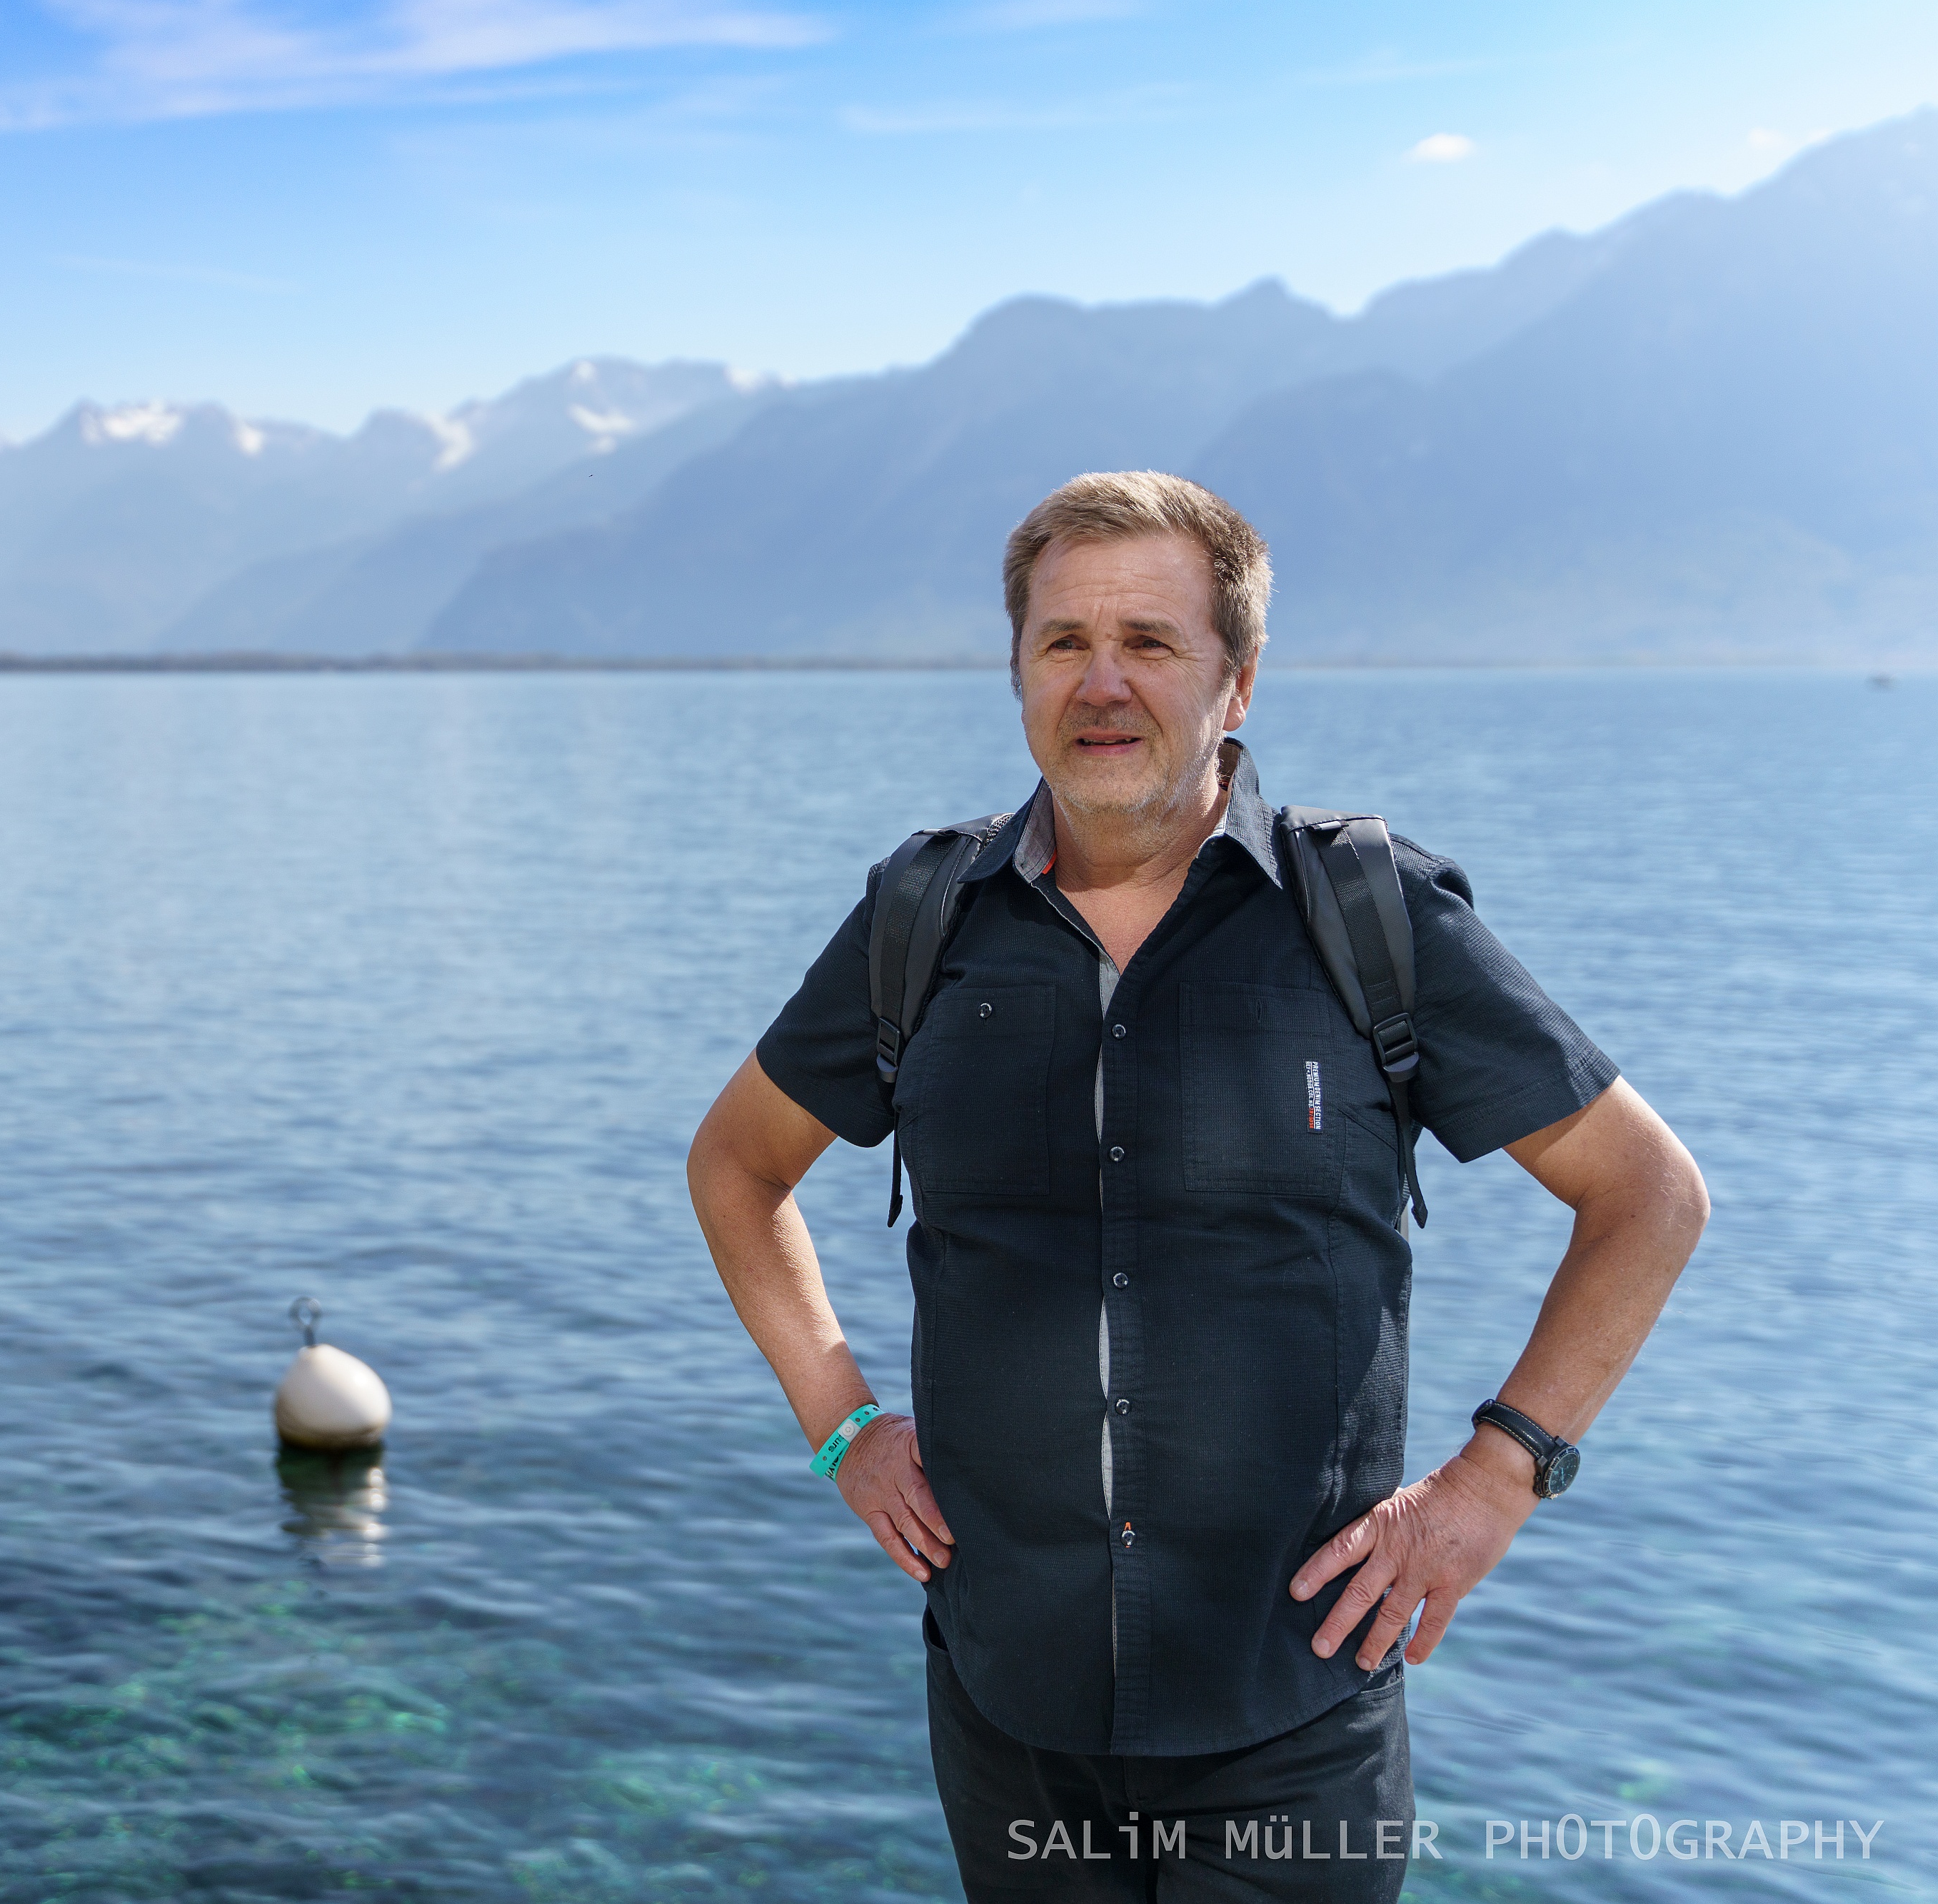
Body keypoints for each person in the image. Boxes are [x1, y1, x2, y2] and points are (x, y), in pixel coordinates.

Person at [686, 472, 1709, 1901]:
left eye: (1151, 642)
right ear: (1016, 671)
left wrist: (1498, 1474)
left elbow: (1648, 1193)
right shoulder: (919, 921)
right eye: (1062, 641)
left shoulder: (1368, 917)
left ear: (1239, 678)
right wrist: (838, 1417)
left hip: (1292, 1714)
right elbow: (735, 1163)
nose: (1101, 683)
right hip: (1006, 1709)